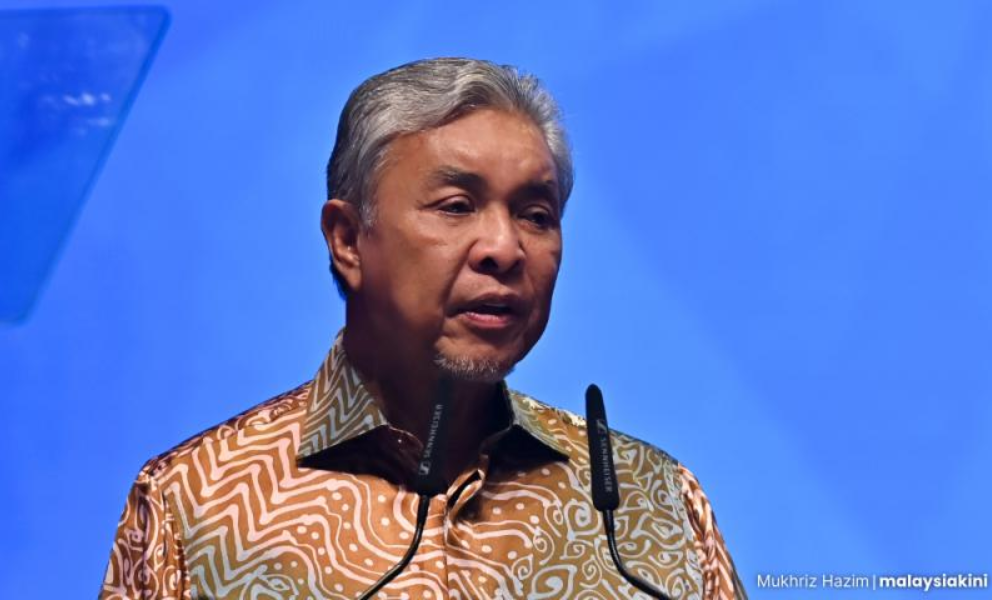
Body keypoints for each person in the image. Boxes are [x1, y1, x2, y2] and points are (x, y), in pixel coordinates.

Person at [99, 57, 747, 600]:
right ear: (347, 239)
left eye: (536, 215)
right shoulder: (197, 502)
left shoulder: (652, 500)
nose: (504, 248)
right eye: (457, 207)